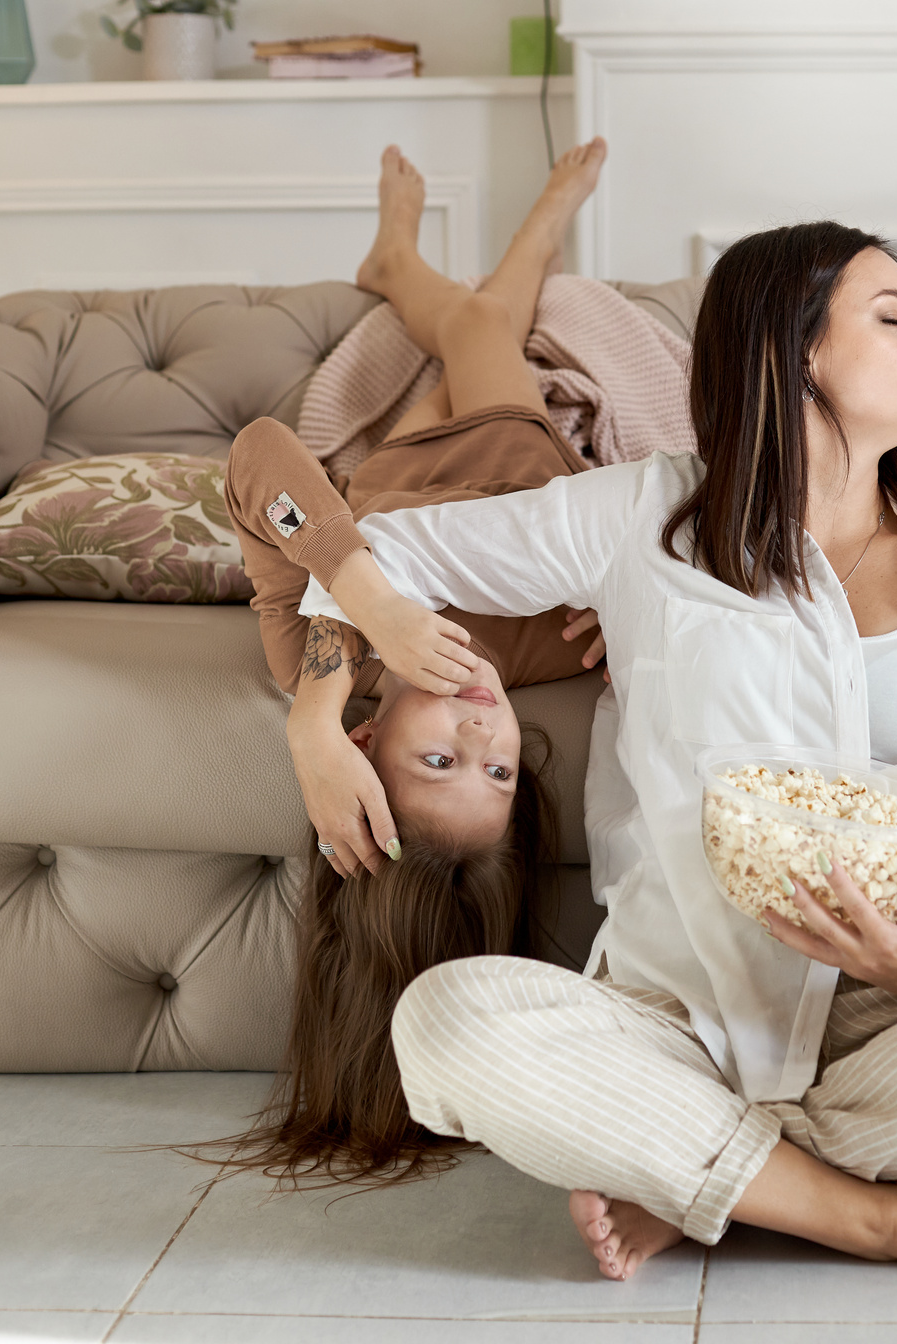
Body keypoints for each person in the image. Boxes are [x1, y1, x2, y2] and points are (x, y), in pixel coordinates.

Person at [299, 221, 897, 1277]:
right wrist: (315, 715)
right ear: (794, 348)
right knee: (445, 1025)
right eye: (895, 318)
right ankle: (891, 1220)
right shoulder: (644, 517)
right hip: (681, 1016)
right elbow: (374, 546)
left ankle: (706, 1176)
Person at [210, 139, 612, 1185]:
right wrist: (637, 600)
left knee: (473, 331)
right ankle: (432, 253)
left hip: (393, 473)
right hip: (525, 453)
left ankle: (403, 255)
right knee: (482, 330)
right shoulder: (540, 641)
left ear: (365, 743)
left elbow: (259, 453)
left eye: (440, 762)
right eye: (501, 771)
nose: (483, 731)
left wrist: (355, 630)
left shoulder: (311, 657)